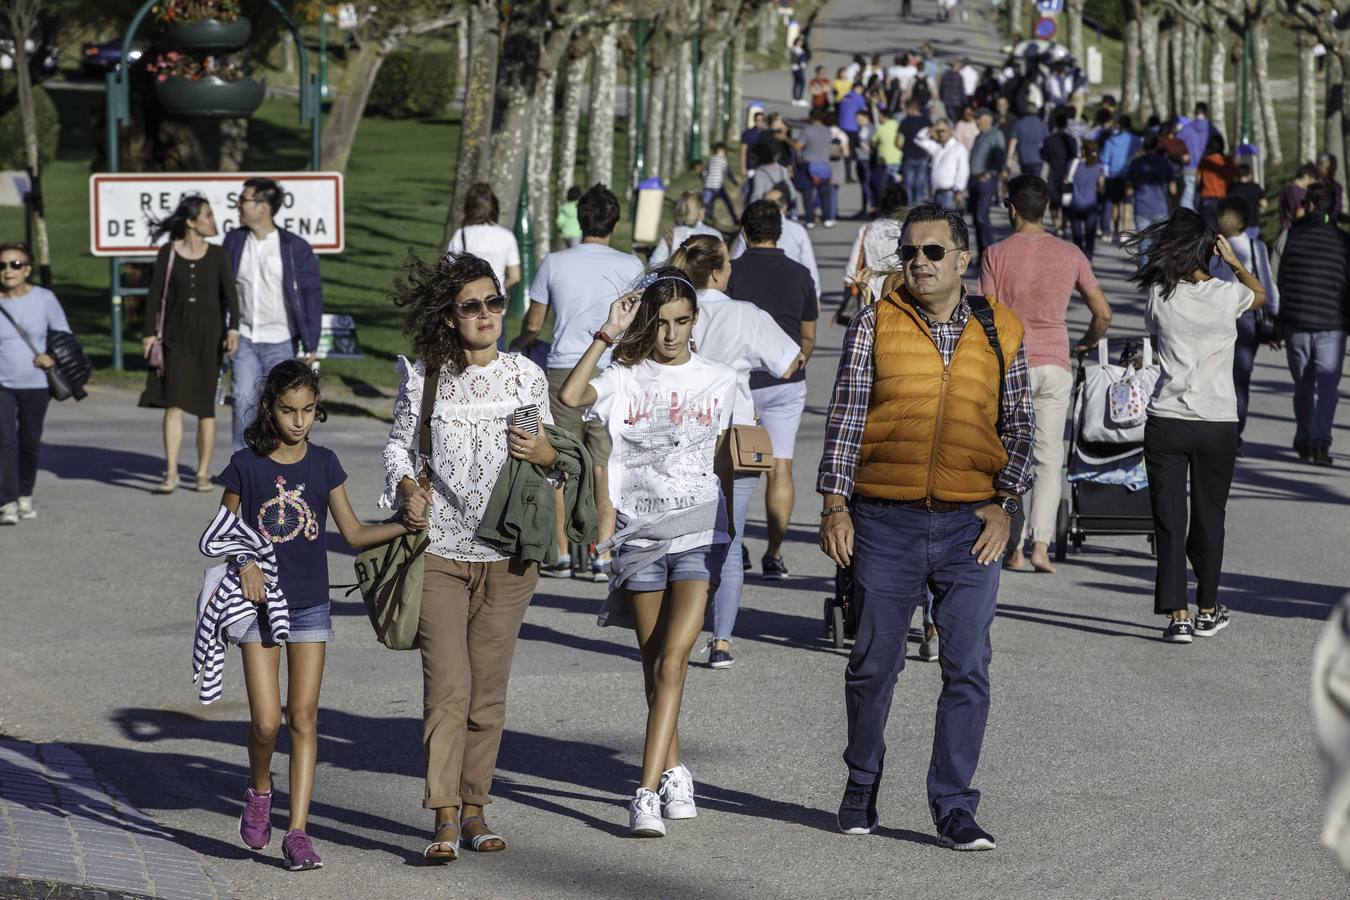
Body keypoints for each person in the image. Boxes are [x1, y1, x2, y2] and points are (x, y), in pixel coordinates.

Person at [818, 203, 1034, 850]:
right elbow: (847, 416)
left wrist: (1006, 502)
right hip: (886, 521)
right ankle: (861, 783)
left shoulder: (1001, 331)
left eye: (934, 252)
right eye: (911, 252)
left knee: (967, 667)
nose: (919, 262)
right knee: (872, 665)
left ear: (963, 260)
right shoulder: (875, 323)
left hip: (972, 526)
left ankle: (954, 805)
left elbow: (1021, 427)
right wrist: (834, 503)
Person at [384, 252, 561, 859]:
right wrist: (406, 487)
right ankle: (442, 814)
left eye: (494, 302)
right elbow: (398, 451)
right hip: (439, 552)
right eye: (471, 305)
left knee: (488, 691)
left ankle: (476, 807)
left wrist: (546, 455)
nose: (487, 314)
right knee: (449, 687)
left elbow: (550, 461)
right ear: (449, 315)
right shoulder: (425, 379)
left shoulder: (525, 376)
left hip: (509, 558)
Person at [558, 268, 737, 837]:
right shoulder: (624, 375)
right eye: (659, 322)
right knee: (652, 663)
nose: (670, 333)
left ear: (695, 322)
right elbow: (568, 396)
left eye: (681, 321)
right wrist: (606, 334)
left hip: (700, 528)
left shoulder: (722, 378)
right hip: (637, 537)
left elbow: (732, 456)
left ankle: (643, 792)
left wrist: (734, 536)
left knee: (674, 659)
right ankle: (676, 770)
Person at [223, 360, 412, 871]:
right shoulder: (247, 465)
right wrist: (244, 563)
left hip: (308, 605)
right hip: (256, 607)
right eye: (288, 410)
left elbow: (351, 534)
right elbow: (225, 533)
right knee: (265, 723)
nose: (299, 421)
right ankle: (260, 788)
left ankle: (298, 831)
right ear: (270, 409)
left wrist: (402, 525)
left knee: (303, 717)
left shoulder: (325, 462)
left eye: (307, 411)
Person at [1124, 210, 1265, 642]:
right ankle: (1208, 609)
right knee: (1210, 516)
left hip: (1167, 419)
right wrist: (1236, 262)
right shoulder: (1227, 295)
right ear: (1210, 251)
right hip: (1217, 421)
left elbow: (1152, 334)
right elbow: (1259, 296)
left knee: (1169, 520)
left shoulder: (1159, 297)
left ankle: (1177, 616)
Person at [672, 236, 803, 668]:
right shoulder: (745, 315)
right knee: (729, 543)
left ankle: (676, 634)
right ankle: (721, 641)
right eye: (728, 265)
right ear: (716, 271)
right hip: (733, 436)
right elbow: (788, 362)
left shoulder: (672, 312)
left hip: (680, 436)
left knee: (681, 539)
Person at [980, 177, 1113, 573]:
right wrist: (1087, 342)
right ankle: (1041, 546)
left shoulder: (995, 254)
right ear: (1048, 208)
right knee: (1049, 458)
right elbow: (1103, 313)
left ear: (1012, 209)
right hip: (1056, 361)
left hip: (1012, 365)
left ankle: (1013, 547)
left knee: (1008, 457)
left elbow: (987, 315)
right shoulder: (1070, 253)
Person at [512, 184, 644, 575]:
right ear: (614, 223)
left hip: (562, 372)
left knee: (559, 463)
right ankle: (603, 553)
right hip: (610, 371)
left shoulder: (554, 262)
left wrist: (520, 343)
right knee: (604, 464)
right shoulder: (632, 266)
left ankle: (563, 551)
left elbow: (535, 322)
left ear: (580, 219)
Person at [728, 200, 817, 580]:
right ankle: (775, 553)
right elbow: (809, 336)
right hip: (785, 382)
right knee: (780, 466)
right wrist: (794, 361)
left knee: (732, 467)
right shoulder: (799, 274)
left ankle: (735, 545)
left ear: (744, 232)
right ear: (779, 232)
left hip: (739, 383)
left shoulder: (729, 272)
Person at [140, 195, 240, 493]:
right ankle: (170, 472)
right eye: (207, 215)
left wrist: (233, 328)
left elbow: (230, 297)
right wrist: (148, 334)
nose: (213, 221)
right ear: (191, 222)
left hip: (210, 338)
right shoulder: (168, 253)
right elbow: (155, 295)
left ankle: (203, 472)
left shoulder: (219, 254)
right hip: (175, 337)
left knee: (206, 409)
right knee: (174, 405)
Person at [224, 177, 324, 453]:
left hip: (281, 339)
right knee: (244, 399)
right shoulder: (233, 241)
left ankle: (279, 462)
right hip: (244, 337)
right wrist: (227, 328)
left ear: (263, 207)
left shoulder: (294, 247)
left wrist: (311, 342)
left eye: (243, 200)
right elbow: (223, 288)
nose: (238, 205)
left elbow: (312, 296)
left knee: (282, 404)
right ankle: (241, 464)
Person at [1273, 182, 1350, 466]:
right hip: (1333, 322)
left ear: (1312, 205)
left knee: (1303, 384)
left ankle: (1304, 438)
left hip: (1296, 321)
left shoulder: (1290, 235)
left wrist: (1277, 319)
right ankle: (1320, 442)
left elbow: (1276, 279)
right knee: (1328, 388)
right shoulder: (1344, 241)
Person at [0, 241, 69, 525]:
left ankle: (25, 494)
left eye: (15, 264)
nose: (7, 271)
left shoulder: (44, 298)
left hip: (36, 383)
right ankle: (7, 501)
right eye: (2, 265)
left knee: (28, 442)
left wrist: (50, 356)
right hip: (2, 383)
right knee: (5, 440)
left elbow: (63, 334)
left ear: (27, 269)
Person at [1209, 197, 1278, 451]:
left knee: (1214, 374)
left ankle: (1215, 428)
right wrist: (1273, 316)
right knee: (1240, 380)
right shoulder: (1255, 246)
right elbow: (1267, 286)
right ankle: (1234, 435)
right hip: (1247, 316)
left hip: (1214, 316)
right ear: (1246, 220)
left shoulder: (1209, 246)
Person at [729, 188, 822, 299]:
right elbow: (808, 263)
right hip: (792, 290)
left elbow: (735, 259)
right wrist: (814, 294)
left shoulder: (749, 228)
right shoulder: (797, 231)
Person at [445, 183, 522, 299]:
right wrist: (500, 289)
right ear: (495, 207)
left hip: (468, 303)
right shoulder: (507, 237)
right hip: (495, 302)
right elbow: (515, 276)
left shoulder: (460, 235)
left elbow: (449, 271)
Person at [845, 183, 908, 300]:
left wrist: (850, 283)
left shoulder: (867, 229)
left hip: (869, 292)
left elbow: (852, 267)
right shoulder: (907, 230)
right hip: (900, 293)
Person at [967, 107, 1006, 264]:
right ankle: (982, 252)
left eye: (980, 119)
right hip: (974, 180)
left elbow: (1000, 157)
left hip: (986, 180)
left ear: (988, 119)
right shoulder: (979, 137)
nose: (977, 122)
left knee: (982, 216)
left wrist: (991, 172)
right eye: (976, 119)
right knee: (976, 218)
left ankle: (991, 254)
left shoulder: (995, 135)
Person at [650, 191, 723, 266]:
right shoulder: (714, 234)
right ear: (700, 212)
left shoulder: (671, 234)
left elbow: (655, 262)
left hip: (675, 275)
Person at [1100, 115, 1142, 240]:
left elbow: (1104, 160)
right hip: (1130, 175)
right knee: (1127, 204)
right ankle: (1125, 233)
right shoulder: (1136, 140)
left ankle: (1115, 231)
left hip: (1113, 175)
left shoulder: (1110, 141)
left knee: (1115, 204)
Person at [1126, 133, 1177, 233]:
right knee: (1159, 246)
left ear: (1144, 146)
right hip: (1161, 209)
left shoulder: (1135, 163)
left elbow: (1128, 191)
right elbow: (1173, 190)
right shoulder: (1165, 163)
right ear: (1157, 146)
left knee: (1144, 244)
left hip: (1141, 208)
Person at [913, 119, 969, 209]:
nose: (940, 133)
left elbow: (963, 170)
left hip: (950, 194)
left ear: (951, 131)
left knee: (948, 222)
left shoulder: (958, 147)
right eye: (938, 131)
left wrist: (959, 190)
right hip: (936, 193)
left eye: (943, 130)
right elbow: (918, 139)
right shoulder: (937, 147)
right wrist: (931, 129)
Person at [799, 106, 840, 227]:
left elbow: (798, 146)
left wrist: (787, 139)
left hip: (809, 165)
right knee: (825, 194)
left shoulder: (807, 130)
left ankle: (809, 220)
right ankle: (827, 218)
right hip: (824, 166)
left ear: (811, 117)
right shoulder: (827, 131)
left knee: (809, 194)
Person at [1065, 140, 1105, 259]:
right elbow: (1102, 188)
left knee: (1077, 236)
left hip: (1076, 204)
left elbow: (1067, 180)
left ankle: (1079, 259)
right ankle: (1088, 258)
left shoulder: (1074, 164)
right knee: (1090, 235)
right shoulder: (1098, 168)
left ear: (1083, 151)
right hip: (1091, 205)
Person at [1042, 111, 1078, 234]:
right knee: (1066, 203)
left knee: (1054, 203)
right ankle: (1063, 225)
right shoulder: (1072, 141)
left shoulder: (1049, 140)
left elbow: (1045, 159)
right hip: (1068, 176)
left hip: (1053, 175)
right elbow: (1075, 159)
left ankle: (1056, 224)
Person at [1176, 103, 1212, 211]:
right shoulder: (1212, 130)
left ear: (1194, 112)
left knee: (1187, 200)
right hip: (1208, 170)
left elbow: (1175, 145)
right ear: (1206, 113)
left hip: (1189, 168)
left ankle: (1188, 225)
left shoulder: (1186, 129)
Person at [899, 99, 933, 205]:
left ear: (910, 108)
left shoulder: (905, 121)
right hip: (923, 155)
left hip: (909, 155)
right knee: (920, 184)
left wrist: (902, 148)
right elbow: (932, 135)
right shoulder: (926, 120)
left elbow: (897, 140)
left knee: (908, 185)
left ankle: (909, 208)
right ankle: (918, 208)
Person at [1197, 131, 1235, 228]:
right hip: (1224, 198)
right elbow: (1231, 179)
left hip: (1207, 198)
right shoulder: (1228, 161)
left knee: (1209, 230)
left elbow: (1198, 180)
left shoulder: (1204, 161)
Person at [1006, 105, 1049, 177]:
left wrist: (1009, 159)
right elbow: (1047, 142)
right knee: (1036, 182)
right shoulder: (1042, 124)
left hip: (1024, 159)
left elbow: (1013, 142)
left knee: (1026, 182)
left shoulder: (1019, 123)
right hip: (1038, 159)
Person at [1227, 163, 1266, 238]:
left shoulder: (1233, 188)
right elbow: (1264, 204)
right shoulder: (1255, 187)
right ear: (1249, 174)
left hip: (1237, 224)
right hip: (1253, 223)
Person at [871, 104, 904, 186]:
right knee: (896, 183)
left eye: (880, 116)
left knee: (885, 184)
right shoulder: (898, 126)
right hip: (898, 158)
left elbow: (872, 142)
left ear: (883, 116)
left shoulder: (881, 128)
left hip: (885, 160)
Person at [739, 110, 766, 178]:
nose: (760, 122)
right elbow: (743, 151)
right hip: (751, 168)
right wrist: (743, 168)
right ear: (755, 121)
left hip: (764, 169)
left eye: (762, 120)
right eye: (758, 120)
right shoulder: (748, 134)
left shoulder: (767, 134)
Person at [790, 36, 809, 107]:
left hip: (799, 68)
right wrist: (800, 63)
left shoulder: (800, 49)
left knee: (797, 83)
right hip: (797, 68)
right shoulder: (794, 49)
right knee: (801, 83)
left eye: (801, 42)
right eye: (799, 41)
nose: (800, 43)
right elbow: (794, 58)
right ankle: (798, 98)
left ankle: (796, 99)